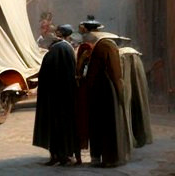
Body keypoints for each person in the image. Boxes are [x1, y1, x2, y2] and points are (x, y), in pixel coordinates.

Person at [77, 18, 129, 167]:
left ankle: (108, 158)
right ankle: (105, 157)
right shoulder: (102, 46)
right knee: (104, 125)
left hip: (103, 91)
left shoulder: (104, 46)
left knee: (105, 126)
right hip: (103, 91)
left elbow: (110, 72)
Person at [32, 24, 79, 166]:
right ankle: (65, 155)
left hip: (53, 95)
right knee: (65, 126)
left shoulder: (54, 49)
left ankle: (56, 156)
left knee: (54, 126)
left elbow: (45, 74)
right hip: (66, 95)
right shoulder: (69, 49)